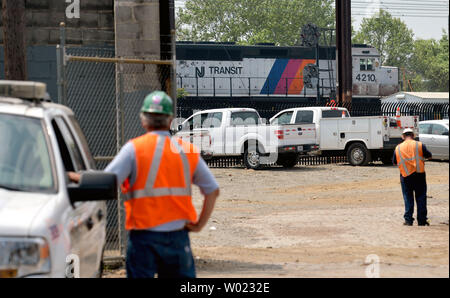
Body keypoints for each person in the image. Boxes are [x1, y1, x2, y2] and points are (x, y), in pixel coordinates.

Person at [69, 91, 219, 278]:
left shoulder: (134, 149)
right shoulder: (186, 151)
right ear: (170, 119)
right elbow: (212, 190)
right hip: (177, 237)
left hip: (143, 237)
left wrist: (74, 177)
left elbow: (107, 181)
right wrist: (198, 225)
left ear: (144, 120)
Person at [392, 128, 432, 226]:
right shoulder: (419, 145)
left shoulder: (398, 148)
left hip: (405, 176)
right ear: (413, 136)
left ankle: (408, 220)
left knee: (408, 198)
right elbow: (429, 156)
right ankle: (422, 220)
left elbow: (394, 162)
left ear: (403, 136)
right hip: (419, 175)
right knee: (421, 197)